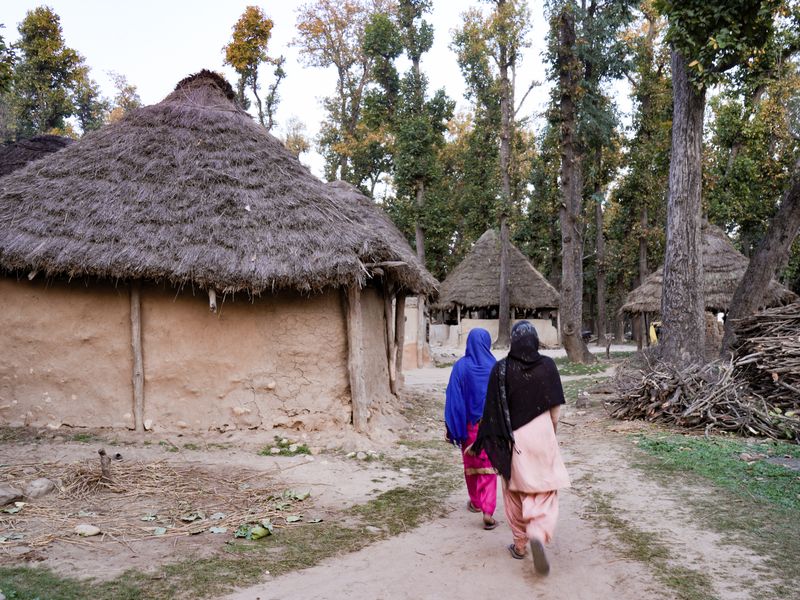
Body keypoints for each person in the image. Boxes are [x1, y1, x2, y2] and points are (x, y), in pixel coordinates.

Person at [472, 321, 570, 575]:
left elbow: (491, 409)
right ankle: (537, 532)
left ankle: (519, 544)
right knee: (545, 489)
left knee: (513, 491)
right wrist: (551, 433)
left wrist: (487, 440)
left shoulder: (501, 368)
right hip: (543, 434)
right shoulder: (548, 366)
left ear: (513, 341)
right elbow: (555, 409)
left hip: (513, 440)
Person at [444, 328, 499, 530]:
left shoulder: (461, 367)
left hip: (469, 427)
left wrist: (453, 427)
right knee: (489, 468)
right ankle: (487, 510)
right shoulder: (494, 366)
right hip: (491, 427)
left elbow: (454, 400)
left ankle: (475, 501)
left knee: (471, 465)